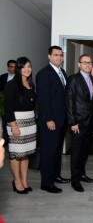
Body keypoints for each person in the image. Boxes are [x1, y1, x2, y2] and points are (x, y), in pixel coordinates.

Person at [36, 45, 70, 194]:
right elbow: (43, 100)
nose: (59, 57)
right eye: (56, 55)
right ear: (49, 56)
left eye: (61, 55)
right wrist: (49, 119)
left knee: (56, 151)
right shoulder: (44, 74)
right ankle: (46, 183)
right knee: (48, 152)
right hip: (50, 121)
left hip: (61, 120)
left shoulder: (62, 72)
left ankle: (56, 176)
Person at [4, 57, 36, 194]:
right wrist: (14, 126)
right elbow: (8, 107)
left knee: (25, 154)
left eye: (29, 66)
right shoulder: (11, 85)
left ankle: (24, 180)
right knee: (16, 154)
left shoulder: (31, 84)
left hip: (30, 122)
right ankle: (16, 180)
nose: (27, 69)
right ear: (18, 68)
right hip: (16, 123)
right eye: (23, 67)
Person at [65, 54, 93, 192]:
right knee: (76, 153)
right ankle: (75, 180)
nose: (88, 65)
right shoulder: (73, 79)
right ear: (79, 65)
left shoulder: (92, 80)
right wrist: (73, 122)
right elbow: (69, 101)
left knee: (84, 151)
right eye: (85, 63)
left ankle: (82, 174)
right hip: (77, 122)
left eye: (89, 63)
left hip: (89, 122)